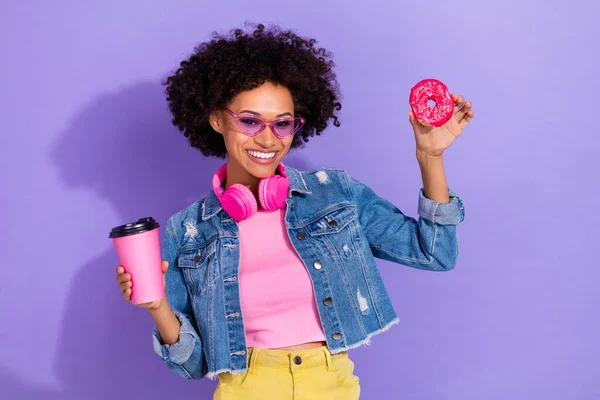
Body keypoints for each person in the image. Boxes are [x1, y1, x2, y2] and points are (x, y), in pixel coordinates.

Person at [115, 22, 473, 399]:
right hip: (246, 390)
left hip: (331, 385)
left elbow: (436, 254)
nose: (267, 139)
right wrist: (157, 307)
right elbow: (192, 365)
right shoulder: (187, 231)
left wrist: (429, 156)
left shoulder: (336, 195)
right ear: (218, 119)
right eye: (249, 121)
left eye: (282, 124)